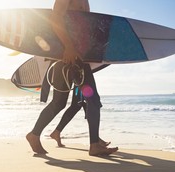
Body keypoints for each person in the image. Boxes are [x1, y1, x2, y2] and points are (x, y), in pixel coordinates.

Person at [26, 0, 117, 156]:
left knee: (61, 102)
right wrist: (68, 46)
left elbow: (84, 27)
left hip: (78, 57)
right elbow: (55, 19)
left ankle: (34, 134)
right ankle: (94, 145)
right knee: (91, 100)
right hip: (67, 56)